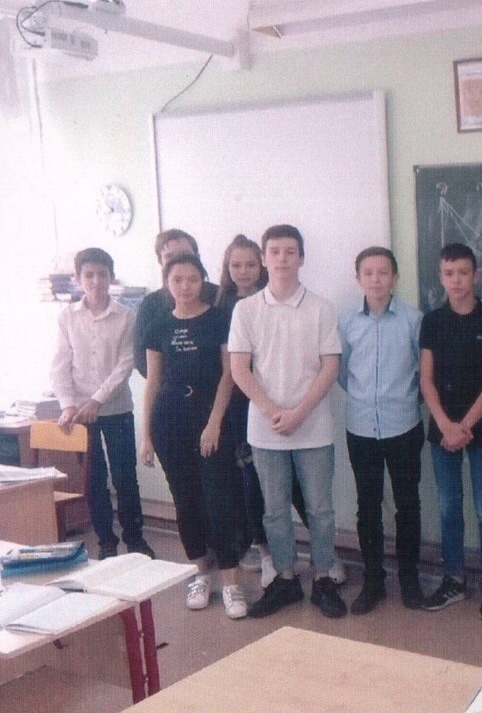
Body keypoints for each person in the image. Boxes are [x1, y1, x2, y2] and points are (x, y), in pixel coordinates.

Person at [228, 224, 346, 619]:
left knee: (320, 510)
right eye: (275, 251)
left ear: (301, 258)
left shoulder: (321, 308)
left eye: (290, 251)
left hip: (313, 426)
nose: (282, 258)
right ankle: (285, 579)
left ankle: (323, 579)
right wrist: (272, 411)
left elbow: (330, 367)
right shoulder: (246, 310)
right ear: (264, 259)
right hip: (266, 429)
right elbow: (239, 369)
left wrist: (299, 412)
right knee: (274, 510)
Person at [139, 252, 247, 618]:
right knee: (185, 501)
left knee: (219, 500)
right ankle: (201, 572)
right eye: (177, 280)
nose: (185, 287)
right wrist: (145, 435)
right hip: (169, 420)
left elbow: (228, 375)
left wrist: (215, 422)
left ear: (203, 281)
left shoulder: (218, 319)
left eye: (192, 279)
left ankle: (231, 582)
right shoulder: (157, 325)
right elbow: (153, 382)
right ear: (167, 283)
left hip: (210, 416)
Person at [418, 243, 482, 619]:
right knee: (449, 505)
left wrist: (465, 426)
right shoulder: (432, 321)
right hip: (442, 428)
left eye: (463, 273)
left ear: (476, 276)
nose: (456, 280)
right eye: (449, 274)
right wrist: (444, 424)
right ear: (441, 278)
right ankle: (453, 579)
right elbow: (426, 379)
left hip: (479, 428)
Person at [50, 247, 154, 561]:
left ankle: (134, 539)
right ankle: (106, 541)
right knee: (94, 480)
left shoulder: (126, 316)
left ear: (111, 276)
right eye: (89, 275)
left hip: (116, 408)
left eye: (102, 274)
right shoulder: (67, 316)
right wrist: (68, 405)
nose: (96, 281)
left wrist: (97, 399)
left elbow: (125, 364)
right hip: (81, 413)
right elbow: (60, 364)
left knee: (125, 477)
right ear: (78, 278)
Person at [339, 247, 425, 614]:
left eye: (383, 272)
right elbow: (341, 372)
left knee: (407, 504)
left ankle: (410, 580)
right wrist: (366, 399)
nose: (376, 279)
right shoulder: (346, 322)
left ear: (395, 277)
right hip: (361, 426)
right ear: (358, 278)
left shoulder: (413, 320)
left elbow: (424, 370)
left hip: (403, 424)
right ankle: (374, 580)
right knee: (368, 506)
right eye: (368, 273)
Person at [134, 229, 218, 377]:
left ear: (197, 257)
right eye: (169, 256)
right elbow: (141, 359)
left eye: (185, 254)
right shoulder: (150, 304)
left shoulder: (218, 296)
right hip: (168, 386)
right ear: (160, 261)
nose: (179, 260)